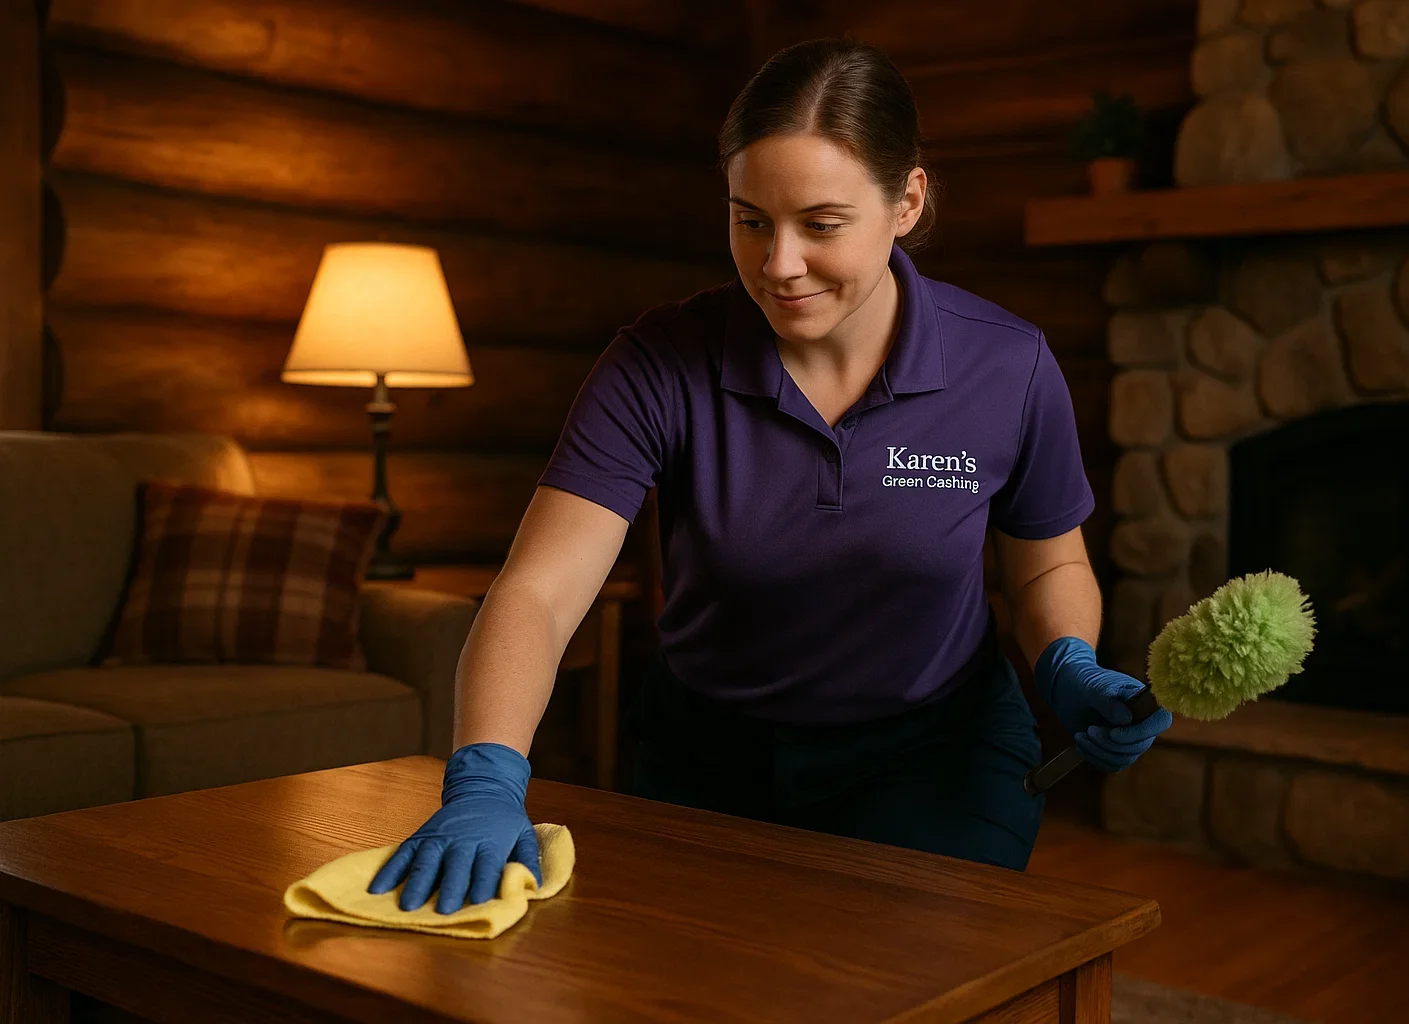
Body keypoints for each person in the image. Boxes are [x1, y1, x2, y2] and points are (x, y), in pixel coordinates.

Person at [368, 38, 1174, 915]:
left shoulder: (1007, 366)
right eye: (750, 219)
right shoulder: (658, 363)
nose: (778, 263)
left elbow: (1047, 561)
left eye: (821, 225)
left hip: (937, 756)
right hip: (706, 754)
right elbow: (541, 592)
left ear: (906, 202)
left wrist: (1067, 663)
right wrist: (486, 774)